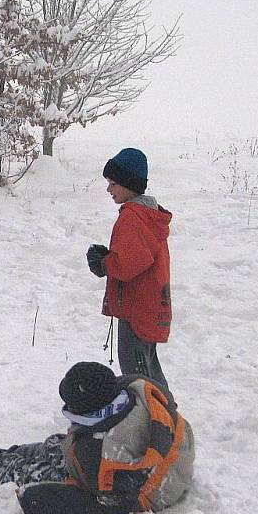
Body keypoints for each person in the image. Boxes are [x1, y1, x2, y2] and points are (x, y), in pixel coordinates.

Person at [0, 362, 194, 514]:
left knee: (27, 471)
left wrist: (37, 499)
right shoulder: (136, 393)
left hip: (125, 480)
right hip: (158, 458)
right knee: (54, 445)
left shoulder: (103, 461)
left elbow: (106, 506)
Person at [86, 148, 172, 387]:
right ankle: (166, 416)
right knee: (148, 368)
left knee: (138, 377)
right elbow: (136, 256)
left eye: (112, 183)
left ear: (128, 183)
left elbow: (127, 265)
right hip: (147, 307)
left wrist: (102, 263)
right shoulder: (147, 215)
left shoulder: (133, 218)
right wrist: (109, 257)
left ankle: (156, 421)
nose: (109, 189)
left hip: (137, 309)